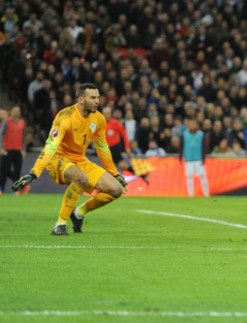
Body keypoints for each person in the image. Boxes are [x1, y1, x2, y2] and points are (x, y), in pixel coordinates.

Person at [11, 83, 127, 235]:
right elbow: (51, 146)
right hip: (59, 159)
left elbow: (102, 147)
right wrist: (35, 172)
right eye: (92, 98)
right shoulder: (66, 116)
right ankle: (59, 225)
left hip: (80, 160)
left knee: (116, 190)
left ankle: (78, 213)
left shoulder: (99, 119)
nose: (97, 101)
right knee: (81, 178)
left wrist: (114, 173)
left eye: (98, 97)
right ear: (81, 99)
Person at [103, 106, 148, 184]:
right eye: (104, 113)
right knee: (117, 167)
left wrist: (127, 147)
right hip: (105, 149)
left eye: (107, 113)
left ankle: (141, 175)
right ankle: (141, 175)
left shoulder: (116, 123)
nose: (106, 115)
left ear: (110, 114)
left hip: (114, 148)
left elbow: (124, 134)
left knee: (118, 167)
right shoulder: (100, 123)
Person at [179, 119, 210, 197]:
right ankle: (191, 194)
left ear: (197, 126)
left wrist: (203, 158)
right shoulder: (184, 134)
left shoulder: (201, 134)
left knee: (203, 175)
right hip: (188, 159)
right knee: (189, 176)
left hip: (198, 159)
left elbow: (204, 147)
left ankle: (206, 194)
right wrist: (180, 157)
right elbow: (181, 147)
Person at [0, 106, 27, 195]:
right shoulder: (6, 121)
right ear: (11, 112)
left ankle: (15, 190)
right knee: (3, 171)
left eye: (18, 111)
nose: (16, 113)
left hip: (18, 150)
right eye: (14, 111)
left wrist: (23, 150)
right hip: (7, 150)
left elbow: (24, 138)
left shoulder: (22, 122)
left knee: (17, 172)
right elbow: (1, 133)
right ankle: (1, 189)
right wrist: (1, 148)